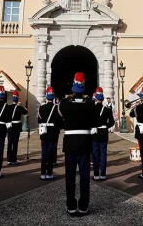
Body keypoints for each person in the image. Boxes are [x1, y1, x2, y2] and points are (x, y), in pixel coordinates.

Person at [58, 72, 97, 216]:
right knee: (85, 176)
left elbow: (60, 118)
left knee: (70, 176)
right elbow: (93, 121)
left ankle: (71, 205)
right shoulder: (91, 104)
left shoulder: (64, 104)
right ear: (84, 87)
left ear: (73, 87)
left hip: (70, 143)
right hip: (85, 143)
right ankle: (83, 205)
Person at [38, 86, 62, 180]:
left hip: (44, 132)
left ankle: (42, 173)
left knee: (44, 152)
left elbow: (39, 120)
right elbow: (60, 122)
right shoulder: (57, 108)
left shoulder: (41, 108)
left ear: (46, 96)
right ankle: (49, 173)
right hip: (53, 132)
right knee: (51, 153)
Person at [92, 87, 114, 181]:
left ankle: (96, 174)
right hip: (104, 132)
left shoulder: (92, 109)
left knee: (95, 154)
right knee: (103, 154)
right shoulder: (107, 110)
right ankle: (103, 174)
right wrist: (105, 126)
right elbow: (112, 122)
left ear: (96, 98)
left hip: (95, 132)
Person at [6, 90, 28, 165]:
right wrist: (21, 105)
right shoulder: (19, 107)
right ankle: (14, 159)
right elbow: (25, 112)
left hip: (10, 126)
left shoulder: (8, 107)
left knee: (9, 143)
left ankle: (8, 159)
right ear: (17, 99)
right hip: (16, 126)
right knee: (15, 143)